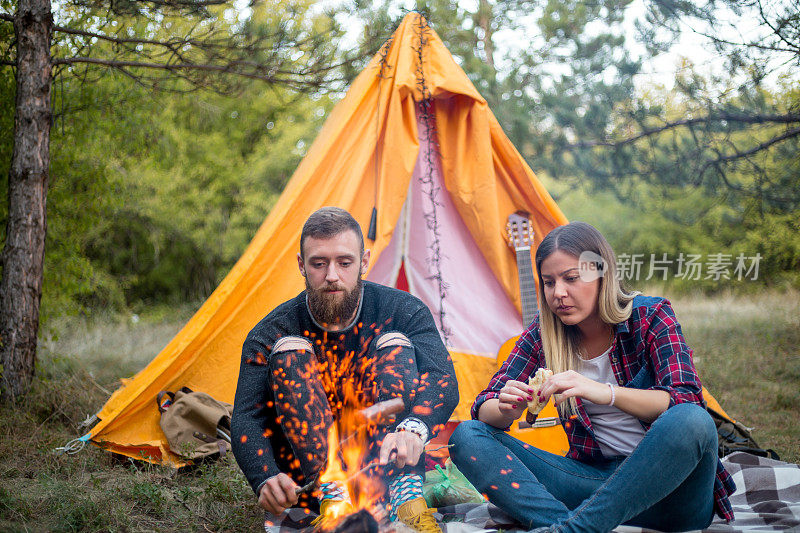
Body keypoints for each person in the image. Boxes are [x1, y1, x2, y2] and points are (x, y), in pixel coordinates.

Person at [449, 221, 735, 532]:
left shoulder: (650, 316)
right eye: (548, 282)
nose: (559, 293)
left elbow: (686, 398)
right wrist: (506, 408)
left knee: (691, 420)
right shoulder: (544, 333)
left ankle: (573, 528)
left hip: (672, 496)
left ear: (602, 275)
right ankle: (572, 524)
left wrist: (604, 392)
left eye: (571, 278)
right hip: (593, 486)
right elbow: (483, 405)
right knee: (466, 436)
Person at [231, 207, 458, 532]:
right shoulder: (271, 332)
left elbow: (442, 379)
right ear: (301, 265)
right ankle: (335, 500)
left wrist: (414, 428)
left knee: (394, 340)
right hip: (312, 483)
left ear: (364, 262)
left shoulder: (404, 310)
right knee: (289, 351)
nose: (332, 275)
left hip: (388, 462)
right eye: (319, 263)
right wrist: (264, 474)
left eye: (344, 262)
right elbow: (246, 416)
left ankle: (405, 496)